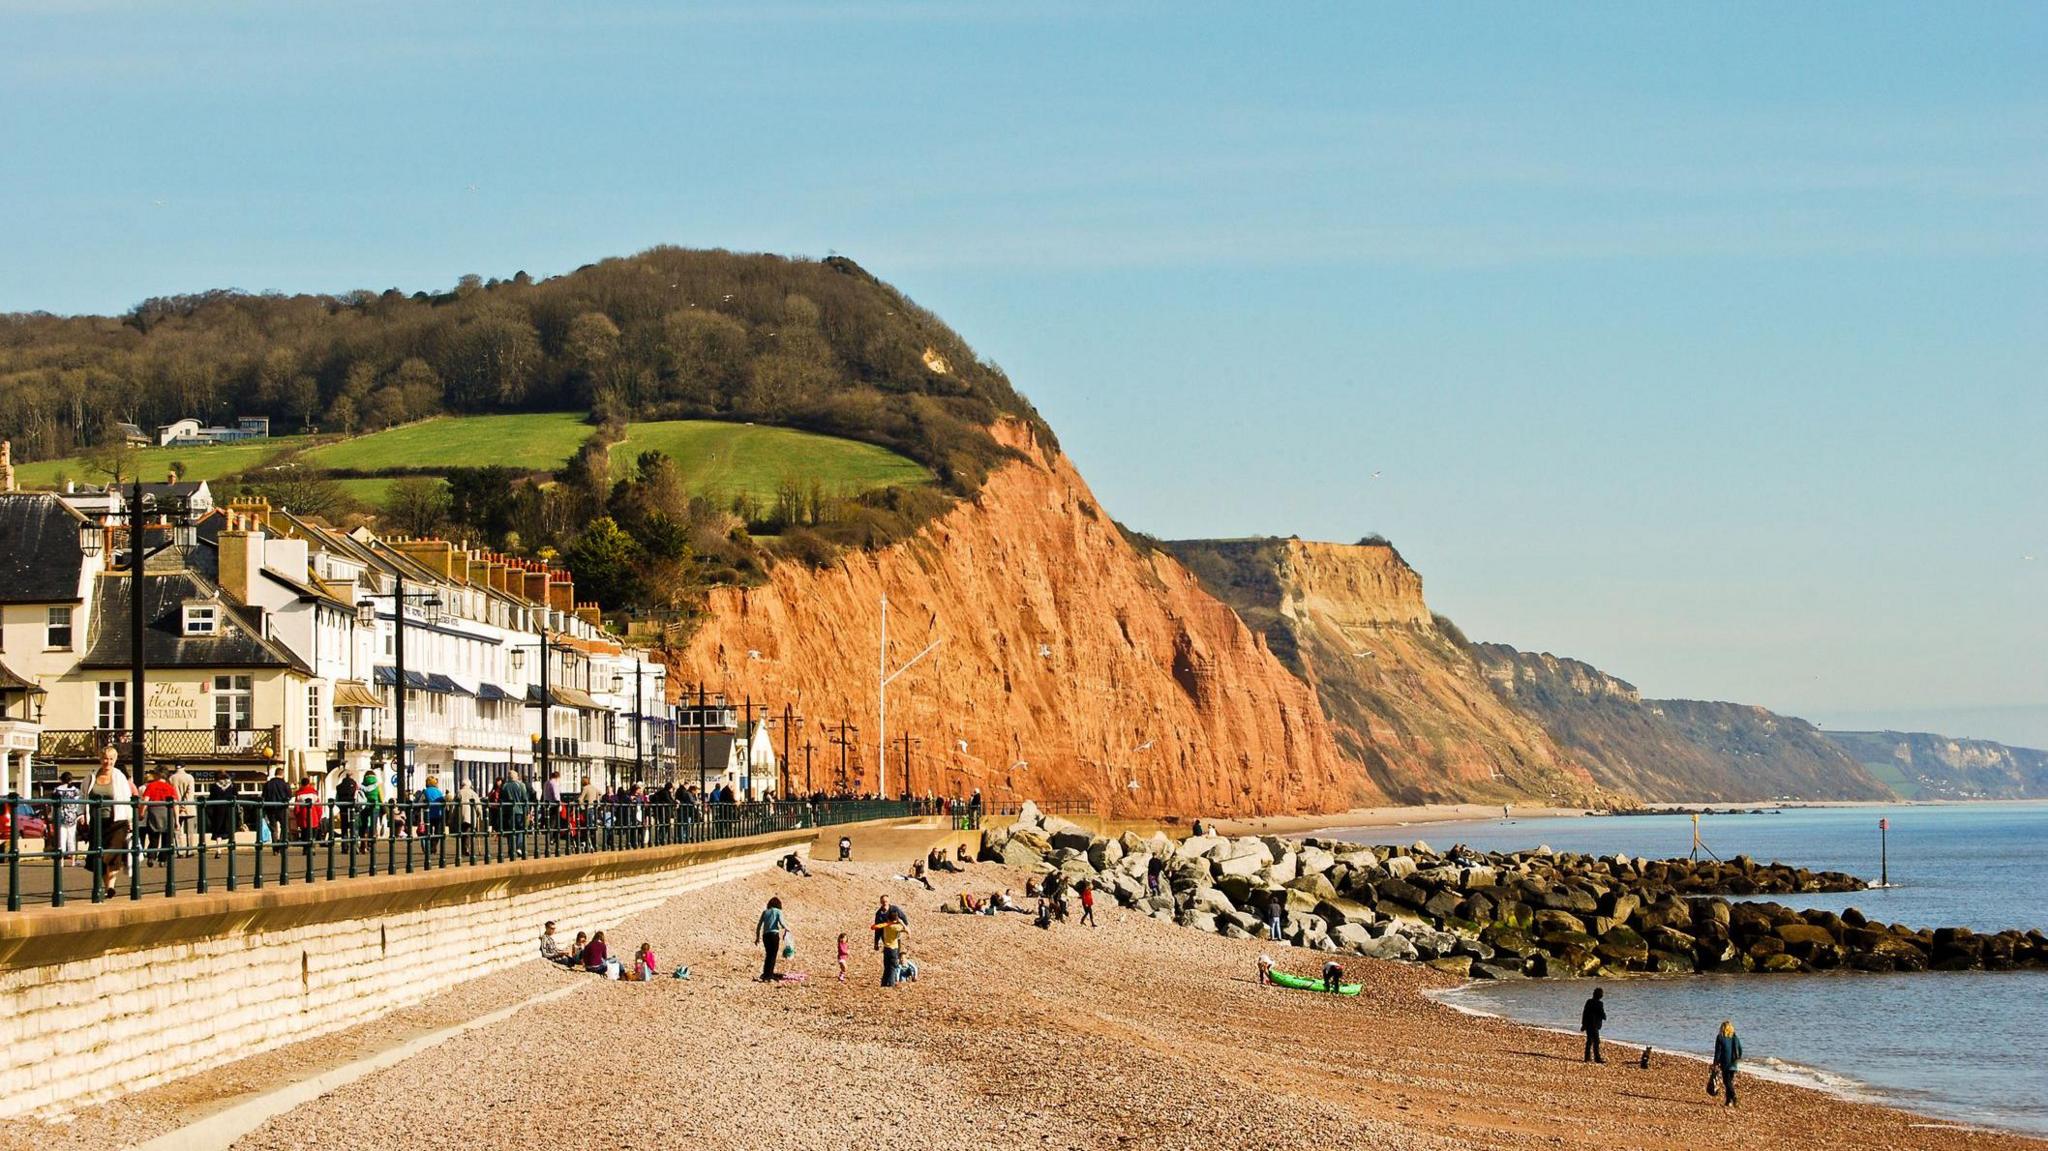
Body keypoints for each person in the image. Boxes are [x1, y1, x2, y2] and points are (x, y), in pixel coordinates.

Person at [85, 747, 133, 898]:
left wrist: (130, 819)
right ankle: (107, 888)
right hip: (97, 821)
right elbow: (83, 795)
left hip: (117, 821)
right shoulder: (91, 776)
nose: (108, 762)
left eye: (111, 759)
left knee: (112, 852)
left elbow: (126, 798)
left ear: (115, 760)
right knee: (98, 854)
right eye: (105, 758)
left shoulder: (119, 777)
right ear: (100, 759)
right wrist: (81, 815)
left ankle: (111, 886)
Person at [141, 769, 176, 863]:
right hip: (167, 813)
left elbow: (145, 800)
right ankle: (163, 859)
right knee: (166, 838)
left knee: (153, 837)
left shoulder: (151, 786)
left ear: (157, 775)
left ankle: (151, 856)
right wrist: (177, 820)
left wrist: (142, 812)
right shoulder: (170, 787)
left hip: (153, 812)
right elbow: (175, 804)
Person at [50, 772, 82, 861]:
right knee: (71, 838)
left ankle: (61, 861)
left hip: (61, 817)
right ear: (71, 780)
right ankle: (73, 860)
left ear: (61, 779)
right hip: (72, 817)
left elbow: (53, 806)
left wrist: (53, 816)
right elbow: (79, 804)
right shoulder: (75, 790)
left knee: (61, 839)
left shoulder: (57, 790)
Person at [260, 767, 292, 855]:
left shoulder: (268, 784)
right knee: (284, 827)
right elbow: (289, 795)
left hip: (270, 808)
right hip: (282, 808)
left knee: (273, 829)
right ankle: (282, 845)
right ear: (282, 774)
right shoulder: (285, 784)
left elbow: (264, 796)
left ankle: (275, 849)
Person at [1711, 1020, 1743, 1107]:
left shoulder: (1720, 1037)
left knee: (1727, 1082)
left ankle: (1734, 1097)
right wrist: (1737, 1058)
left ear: (1722, 1028)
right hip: (1734, 1063)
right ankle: (1728, 1101)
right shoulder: (1734, 1037)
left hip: (1725, 1063)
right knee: (1729, 1082)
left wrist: (1715, 1063)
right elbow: (1740, 1050)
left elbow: (1718, 1052)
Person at [756, 896, 788, 982]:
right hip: (774, 935)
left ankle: (766, 973)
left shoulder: (765, 912)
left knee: (768, 955)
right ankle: (769, 975)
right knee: (773, 955)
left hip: (765, 936)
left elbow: (759, 925)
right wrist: (787, 928)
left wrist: (757, 937)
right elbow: (781, 922)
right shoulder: (778, 911)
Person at [206, 772, 238, 854]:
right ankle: (231, 847)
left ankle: (218, 849)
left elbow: (211, 798)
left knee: (218, 831)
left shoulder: (214, 786)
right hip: (230, 810)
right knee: (231, 828)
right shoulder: (232, 785)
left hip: (218, 810)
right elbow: (236, 796)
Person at [170, 762, 197, 855]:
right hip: (189, 807)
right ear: (184, 767)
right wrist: (184, 804)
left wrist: (180, 805)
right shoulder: (190, 777)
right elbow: (190, 793)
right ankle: (189, 850)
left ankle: (179, 850)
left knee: (177, 829)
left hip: (176, 807)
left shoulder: (171, 778)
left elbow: (172, 794)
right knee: (190, 831)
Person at [877, 906, 906, 988]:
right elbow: (906, 929)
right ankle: (891, 984)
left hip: (886, 948)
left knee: (886, 967)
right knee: (893, 967)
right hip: (894, 949)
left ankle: (883, 984)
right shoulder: (896, 927)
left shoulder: (886, 926)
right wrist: (901, 922)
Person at [1581, 987, 1606, 1063]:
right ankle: (1597, 1058)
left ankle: (1587, 1057)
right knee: (1596, 1041)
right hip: (1594, 1025)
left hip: (1588, 1024)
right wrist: (1604, 1016)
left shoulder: (1589, 1002)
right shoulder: (1599, 1003)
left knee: (1589, 1041)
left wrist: (1583, 1024)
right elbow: (1602, 1014)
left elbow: (1584, 1013)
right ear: (1600, 996)